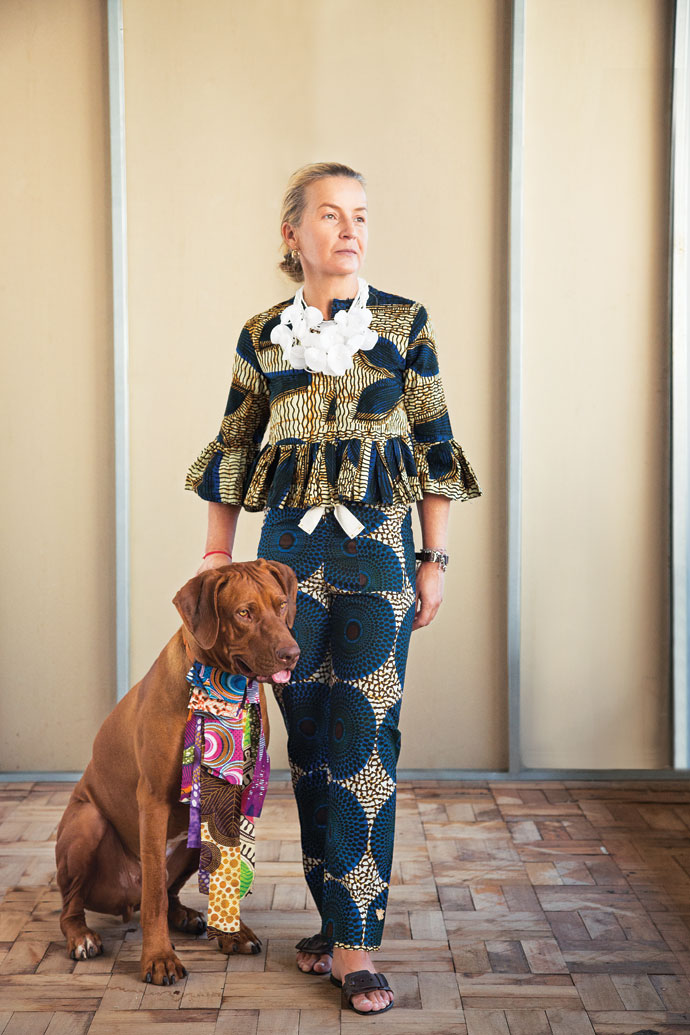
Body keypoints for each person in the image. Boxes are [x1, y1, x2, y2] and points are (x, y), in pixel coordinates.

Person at [185, 161, 482, 1014]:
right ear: (293, 235)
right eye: (328, 214)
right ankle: (328, 915)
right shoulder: (260, 336)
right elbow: (233, 451)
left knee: (363, 738)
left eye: (359, 214)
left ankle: (357, 938)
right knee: (309, 741)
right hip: (282, 566)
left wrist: (436, 558)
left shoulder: (404, 324)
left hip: (378, 559)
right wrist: (217, 556)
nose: (349, 229)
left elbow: (434, 443)